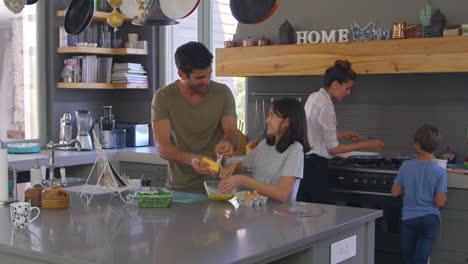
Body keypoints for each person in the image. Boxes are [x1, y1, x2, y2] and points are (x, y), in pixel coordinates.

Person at [151, 41, 238, 193]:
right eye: (200, 78)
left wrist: (228, 142)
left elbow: (232, 133)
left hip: (218, 187)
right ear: (181, 74)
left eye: (209, 75)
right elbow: (162, 147)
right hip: (180, 189)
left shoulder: (222, 93)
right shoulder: (164, 97)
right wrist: (192, 160)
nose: (207, 81)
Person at [297, 59, 385, 204]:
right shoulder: (326, 105)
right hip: (316, 167)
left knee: (309, 214)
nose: (349, 93)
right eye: (347, 88)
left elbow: (314, 133)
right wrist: (367, 144)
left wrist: (342, 133)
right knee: (323, 214)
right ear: (335, 84)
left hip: (305, 164)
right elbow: (334, 149)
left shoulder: (314, 97)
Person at [219, 97, 310, 202]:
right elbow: (243, 166)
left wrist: (243, 180)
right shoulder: (264, 145)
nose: (267, 120)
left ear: (287, 122)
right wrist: (233, 167)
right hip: (259, 212)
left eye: (272, 115)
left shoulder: (295, 150)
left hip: (282, 215)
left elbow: (282, 194)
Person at [391, 124, 448, 264]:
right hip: (429, 219)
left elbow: (395, 192)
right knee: (421, 258)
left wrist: (409, 187)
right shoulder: (439, 171)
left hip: (409, 218)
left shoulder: (406, 166)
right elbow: (440, 201)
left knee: (408, 257)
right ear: (436, 147)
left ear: (417, 145)